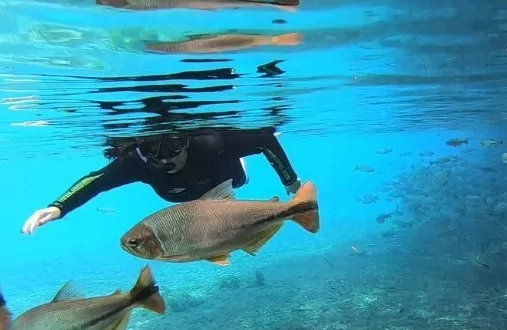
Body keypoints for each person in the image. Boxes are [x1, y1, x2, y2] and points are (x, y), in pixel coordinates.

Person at [21, 126, 302, 235]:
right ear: (140, 146)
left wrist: (290, 182)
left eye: (173, 142)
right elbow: (96, 180)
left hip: (227, 176)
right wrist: (58, 207)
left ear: (187, 139)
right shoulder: (135, 163)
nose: (165, 156)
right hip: (182, 196)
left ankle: (241, 163)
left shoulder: (209, 142)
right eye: (151, 147)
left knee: (240, 178)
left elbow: (265, 139)